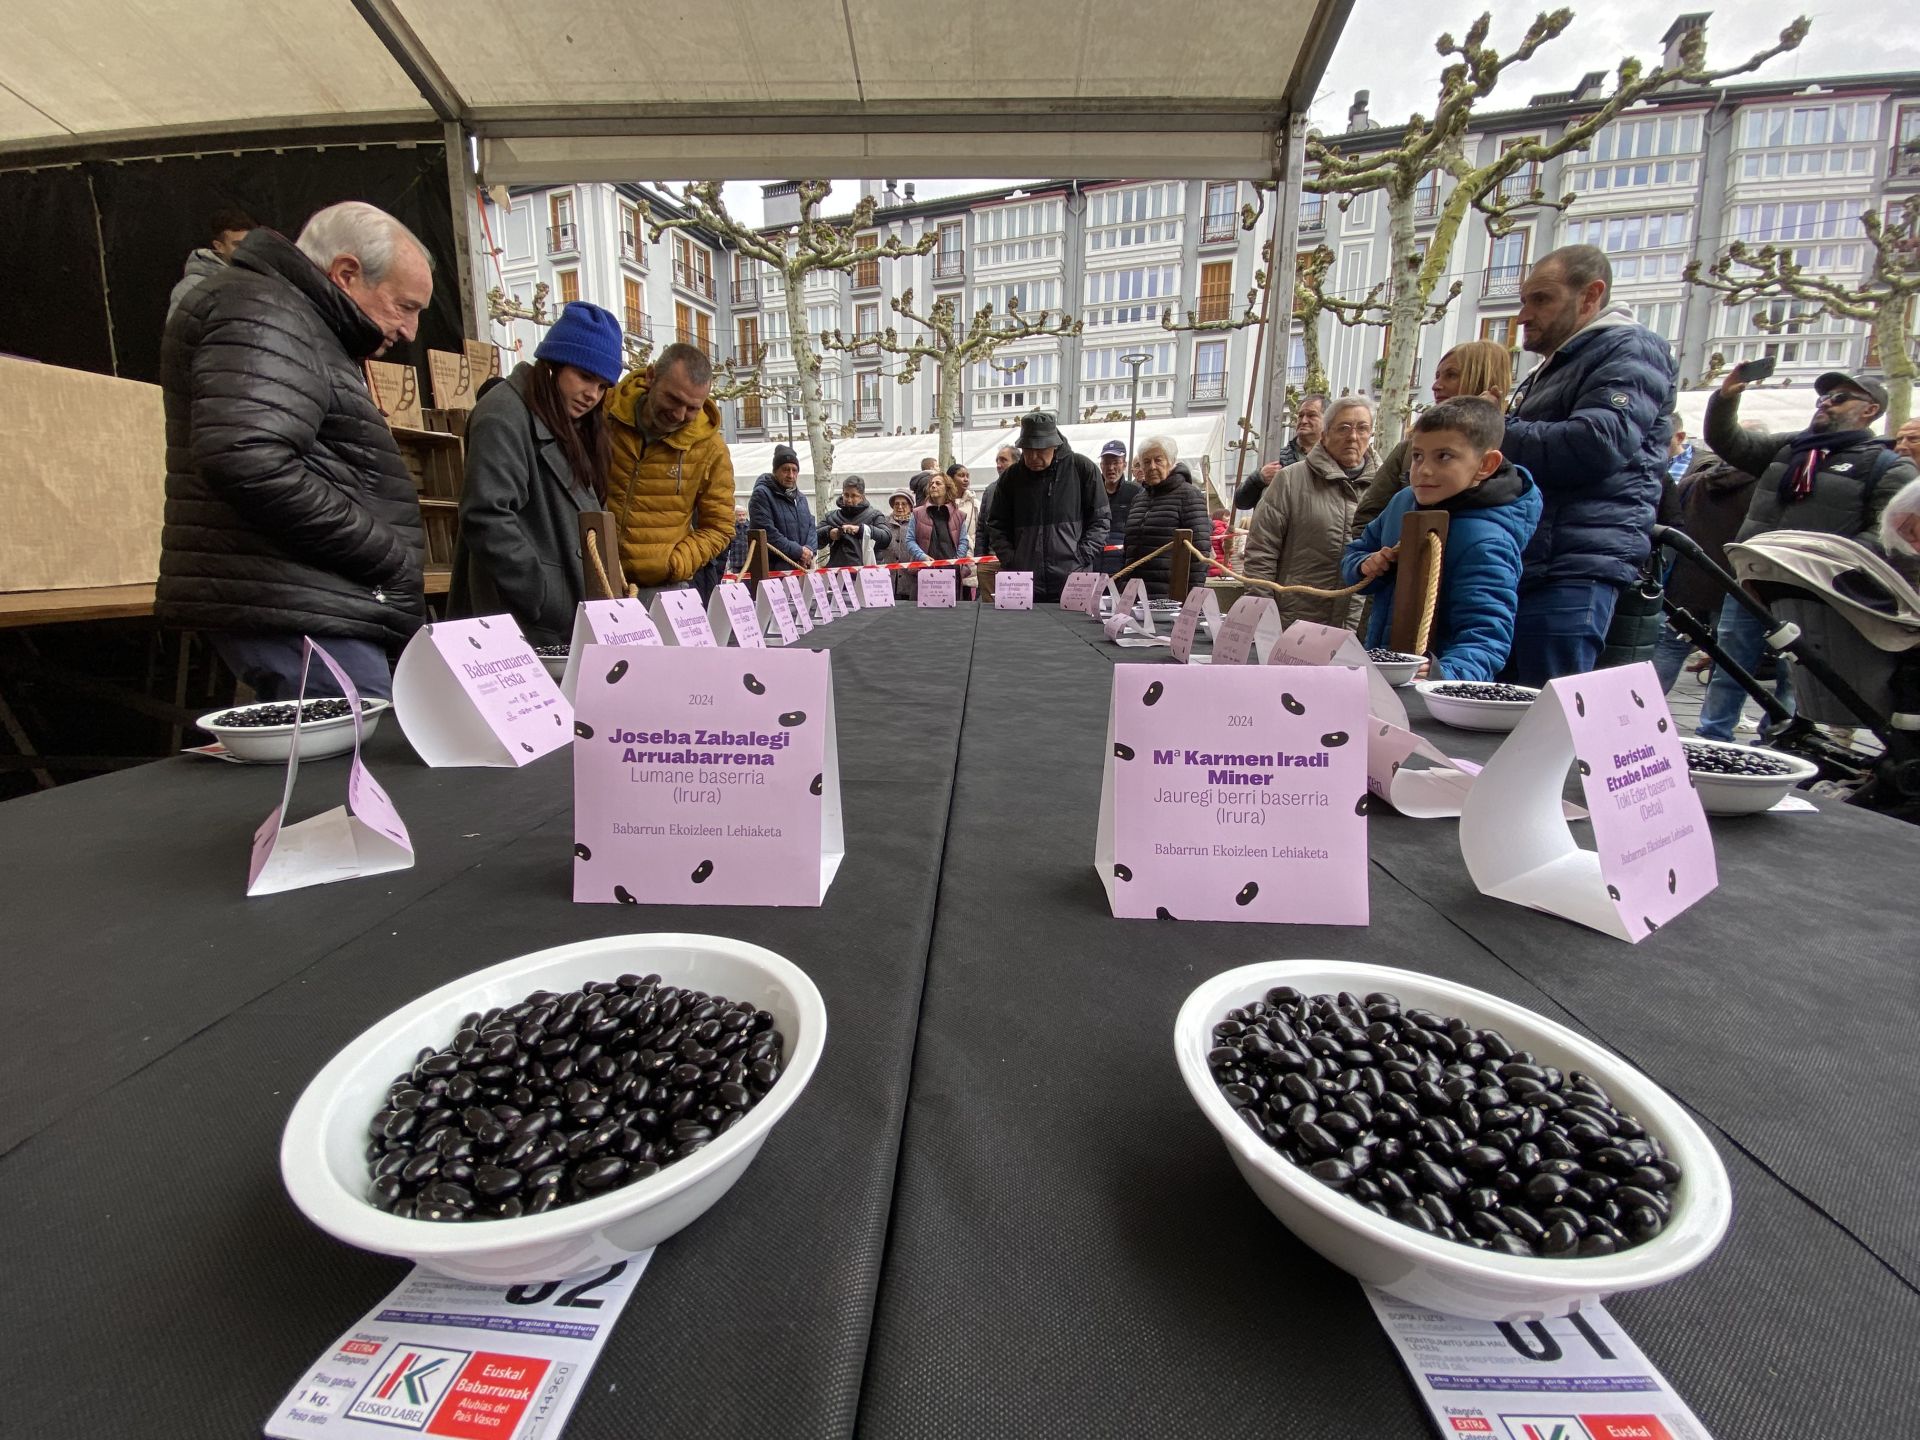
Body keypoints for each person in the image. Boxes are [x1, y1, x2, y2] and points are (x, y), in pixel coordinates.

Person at [157, 201, 432, 701]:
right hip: (297, 604)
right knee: (356, 762)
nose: (410, 330)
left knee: (356, 761)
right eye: (405, 306)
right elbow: (246, 455)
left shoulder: (296, 321)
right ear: (346, 273)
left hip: (308, 602)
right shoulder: (265, 310)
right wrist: (384, 551)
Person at [1695, 367, 1915, 740]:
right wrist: (1726, 398)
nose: (1826, 403)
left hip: (1816, 593)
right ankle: (1712, 737)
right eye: (1823, 397)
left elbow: (1886, 534)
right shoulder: (1790, 448)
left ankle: (1782, 741)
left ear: (1870, 410)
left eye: (1840, 397)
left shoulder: (1887, 466)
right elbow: (1729, 441)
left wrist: (1827, 563)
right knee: (1730, 665)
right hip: (1754, 580)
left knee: (1796, 675)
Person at [1496, 244, 1677, 685]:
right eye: (1524, 300)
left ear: (1590, 295)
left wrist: (1490, 431)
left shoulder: (1630, 349)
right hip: (1542, 562)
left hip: (1572, 568)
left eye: (1541, 299)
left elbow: (1597, 444)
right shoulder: (1560, 364)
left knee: (1550, 721)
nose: (1523, 315)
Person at [447, 302, 620, 643]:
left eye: (602, 387)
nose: (592, 395)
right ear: (553, 366)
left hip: (551, 618)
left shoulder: (567, 423)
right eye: (585, 377)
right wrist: (541, 596)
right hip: (516, 620)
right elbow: (487, 516)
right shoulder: (503, 414)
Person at [1343, 398, 1542, 681]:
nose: (1423, 470)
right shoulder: (1403, 503)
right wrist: (1365, 566)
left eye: (1444, 457)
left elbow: (1486, 634)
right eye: (1417, 456)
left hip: (1433, 690)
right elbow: (1358, 551)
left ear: (1486, 464)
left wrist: (1442, 675)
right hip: (1387, 673)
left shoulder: (1487, 541)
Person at [604, 342, 735, 593]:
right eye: (673, 399)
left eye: (692, 408)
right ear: (651, 376)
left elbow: (720, 526)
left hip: (664, 587)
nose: (678, 414)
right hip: (593, 578)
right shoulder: (605, 413)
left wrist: (675, 563)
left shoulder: (712, 449)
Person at [1242, 395, 1380, 629]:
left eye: (1362, 428)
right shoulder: (1290, 479)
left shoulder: (1384, 487)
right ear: (1325, 434)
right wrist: (1263, 617)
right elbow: (1261, 552)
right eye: (1344, 428)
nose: (1353, 436)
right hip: (1295, 622)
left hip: (1359, 625)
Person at [1648, 449, 1770, 696]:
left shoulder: (1695, 481)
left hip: (1686, 583)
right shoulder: (1764, 491)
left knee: (1670, 647)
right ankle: (1716, 730)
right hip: (1733, 585)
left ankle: (1646, 709)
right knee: (1730, 662)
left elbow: (1672, 524)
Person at [1353, 343, 1513, 531]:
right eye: (1418, 457)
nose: (1436, 386)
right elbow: (1365, 520)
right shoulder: (1407, 449)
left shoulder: (1516, 449)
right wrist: (1377, 558)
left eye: (1451, 375)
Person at [986, 412, 1109, 601]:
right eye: (1028, 450)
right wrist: (1011, 560)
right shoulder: (1011, 477)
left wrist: (1081, 556)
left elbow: (1100, 521)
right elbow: (996, 524)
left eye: (1041, 450)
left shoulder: (1082, 468)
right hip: (1022, 580)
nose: (1034, 456)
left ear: (1055, 445)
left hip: (1073, 578)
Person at [1120, 436, 1210, 597]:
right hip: (1136, 594)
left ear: (1171, 462)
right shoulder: (1138, 499)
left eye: (1158, 460)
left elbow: (1199, 553)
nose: (1152, 466)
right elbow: (1128, 550)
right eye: (1146, 462)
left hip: (1170, 596)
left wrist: (1191, 599)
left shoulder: (1189, 495)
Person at [1235, 393, 1326, 512]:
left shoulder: (1335, 460)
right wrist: (1258, 478)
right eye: (1300, 415)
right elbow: (1241, 502)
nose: (1303, 420)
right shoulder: (1276, 458)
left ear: (1327, 421)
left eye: (1311, 415)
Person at [168, 207, 256, 321]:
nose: (245, 249)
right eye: (237, 245)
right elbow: (177, 335)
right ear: (219, 246)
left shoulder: (260, 280)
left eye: (249, 243)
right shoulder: (191, 287)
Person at [748, 443, 816, 571]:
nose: (791, 475)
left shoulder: (801, 498)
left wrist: (809, 550)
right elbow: (767, 533)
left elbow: (811, 527)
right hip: (774, 570)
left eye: (794, 470)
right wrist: (799, 552)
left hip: (801, 568)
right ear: (775, 471)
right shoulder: (762, 494)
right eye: (785, 470)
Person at [905, 471, 970, 597]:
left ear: (947, 488)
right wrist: (922, 556)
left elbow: (963, 541)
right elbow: (910, 540)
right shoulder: (917, 513)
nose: (933, 486)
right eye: (931, 484)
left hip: (951, 573)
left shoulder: (959, 515)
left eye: (938, 483)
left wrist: (956, 560)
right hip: (925, 571)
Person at [817, 476, 892, 567]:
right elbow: (812, 539)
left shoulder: (875, 515)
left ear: (862, 497)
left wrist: (862, 530)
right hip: (838, 576)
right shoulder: (831, 517)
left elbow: (886, 538)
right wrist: (829, 533)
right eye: (846, 495)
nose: (849, 500)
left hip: (869, 575)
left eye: (853, 496)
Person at [1097, 439, 1143, 575]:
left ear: (1124, 465)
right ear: (1101, 465)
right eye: (1106, 463)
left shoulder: (1135, 492)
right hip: (1094, 565)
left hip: (1123, 567)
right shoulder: (1091, 491)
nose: (1111, 468)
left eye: (1115, 462)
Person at [975, 446, 1017, 559]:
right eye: (997, 461)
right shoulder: (990, 491)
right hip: (991, 560)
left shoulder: (1028, 489)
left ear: (1017, 462)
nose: (998, 465)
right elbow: (981, 529)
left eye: (1003, 460)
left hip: (1020, 561)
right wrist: (980, 558)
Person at [881, 488, 917, 598]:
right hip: (889, 578)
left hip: (910, 577)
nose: (900, 507)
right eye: (896, 504)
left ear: (911, 506)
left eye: (904, 504)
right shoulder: (884, 522)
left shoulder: (917, 522)